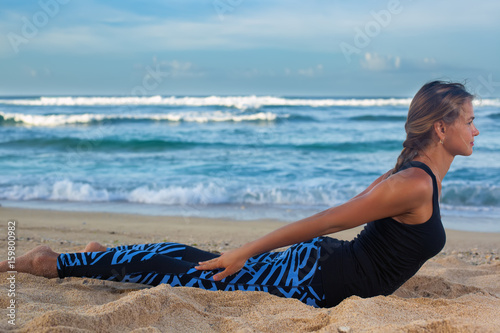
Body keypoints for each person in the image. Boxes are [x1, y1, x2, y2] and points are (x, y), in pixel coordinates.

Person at [1, 81, 480, 308]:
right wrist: (246, 249)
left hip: (326, 267)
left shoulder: (416, 175)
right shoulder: (415, 182)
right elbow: (330, 219)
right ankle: (52, 262)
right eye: (470, 120)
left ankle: (108, 256)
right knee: (200, 268)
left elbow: (357, 210)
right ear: (441, 128)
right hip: (316, 278)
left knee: (198, 265)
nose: (476, 130)